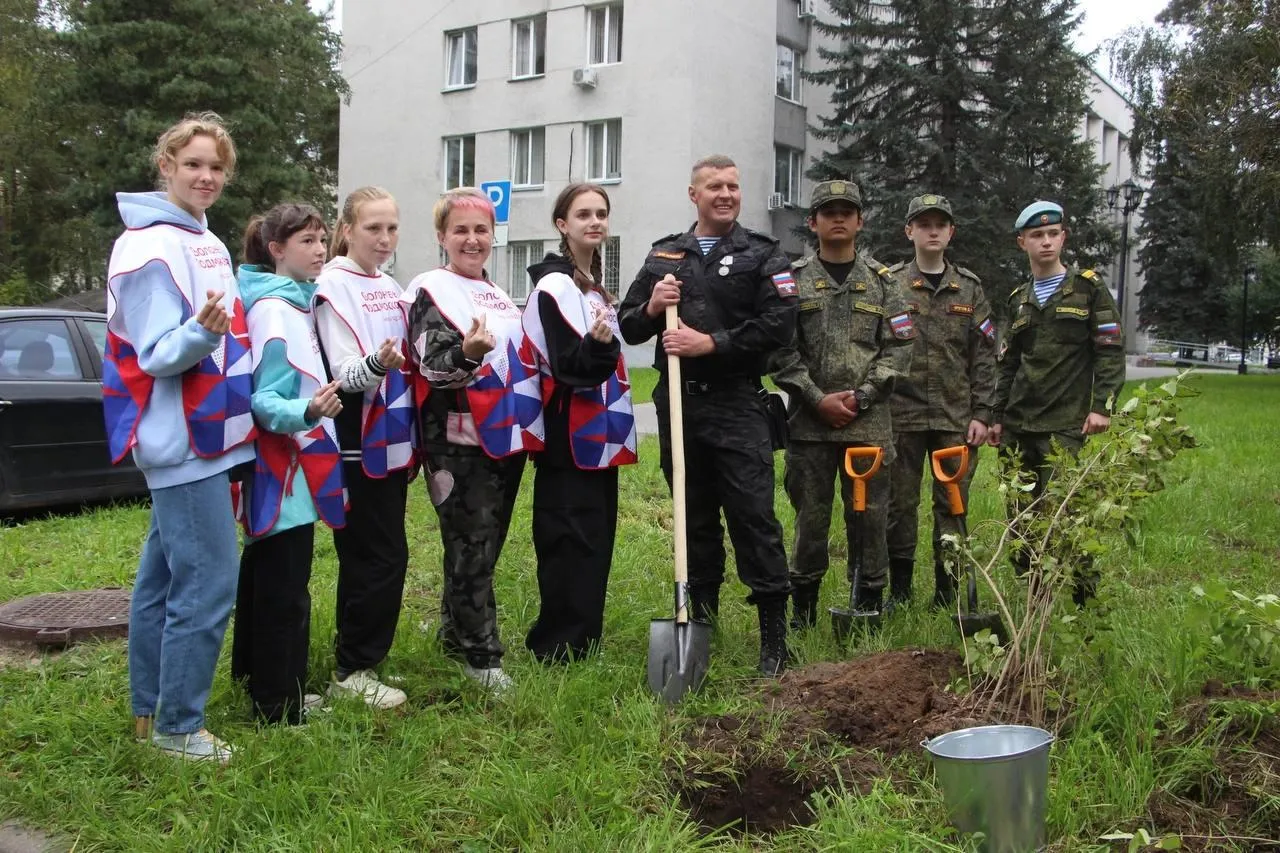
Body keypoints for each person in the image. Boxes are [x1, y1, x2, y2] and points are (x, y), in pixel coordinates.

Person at [103, 112, 256, 763]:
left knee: (163, 582)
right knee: (208, 582)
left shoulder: (204, 238)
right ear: (165, 164)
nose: (206, 176)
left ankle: (150, 713)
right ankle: (177, 727)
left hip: (210, 434)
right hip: (182, 441)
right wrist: (203, 332)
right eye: (193, 163)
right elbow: (157, 353)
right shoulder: (146, 245)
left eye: (216, 167)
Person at [618, 155, 797, 676]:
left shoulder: (763, 255)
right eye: (714, 186)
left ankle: (774, 641)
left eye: (734, 186)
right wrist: (652, 307)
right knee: (691, 518)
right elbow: (628, 327)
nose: (726, 193)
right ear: (693, 194)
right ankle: (699, 626)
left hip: (737, 404)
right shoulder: (664, 254)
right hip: (680, 406)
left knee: (754, 518)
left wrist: (710, 343)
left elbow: (780, 326)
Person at [402, 187, 543, 692]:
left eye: (481, 229)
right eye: (460, 229)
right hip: (456, 444)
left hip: (502, 440)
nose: (472, 239)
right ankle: (482, 659)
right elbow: (432, 366)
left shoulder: (496, 293)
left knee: (482, 547)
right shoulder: (430, 290)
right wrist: (466, 352)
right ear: (442, 236)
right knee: (472, 549)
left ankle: (451, 636)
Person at [771, 180, 916, 630]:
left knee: (870, 521)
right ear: (812, 222)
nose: (838, 218)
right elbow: (780, 350)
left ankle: (867, 604)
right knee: (810, 522)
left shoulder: (885, 284)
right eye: (828, 211)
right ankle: (804, 614)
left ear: (860, 221)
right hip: (810, 427)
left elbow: (899, 348)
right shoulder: (790, 282)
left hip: (868, 425)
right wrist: (816, 399)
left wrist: (863, 396)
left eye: (846, 211)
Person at [230, 203, 345, 725]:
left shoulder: (287, 302)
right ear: (277, 250)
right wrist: (308, 409)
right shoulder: (277, 310)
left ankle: (257, 679)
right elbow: (264, 399)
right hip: (284, 470)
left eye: (322, 240)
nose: (320, 250)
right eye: (307, 242)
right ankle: (280, 704)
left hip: (278, 468)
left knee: (262, 579)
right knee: (285, 589)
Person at [521, 183, 637, 663]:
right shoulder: (555, 287)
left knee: (595, 538)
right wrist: (600, 347)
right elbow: (569, 364)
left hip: (598, 436)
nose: (595, 221)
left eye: (602, 213)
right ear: (561, 224)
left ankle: (584, 638)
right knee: (569, 538)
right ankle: (557, 646)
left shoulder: (592, 285)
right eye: (583, 214)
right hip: (568, 436)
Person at [989, 200, 1126, 606]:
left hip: (1064, 424)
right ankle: (1036, 595)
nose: (1046, 241)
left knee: (1064, 513)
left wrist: (1102, 406)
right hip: (1018, 423)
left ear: (1063, 237)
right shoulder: (1018, 299)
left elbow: (1109, 348)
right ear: (1022, 242)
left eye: (1053, 234)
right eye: (1037, 235)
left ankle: (1084, 599)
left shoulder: (1087, 288)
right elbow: (1008, 362)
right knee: (1020, 518)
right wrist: (996, 416)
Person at [314, 187, 414, 709]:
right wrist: (378, 364)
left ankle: (359, 659)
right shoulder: (332, 286)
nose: (384, 238)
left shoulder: (389, 284)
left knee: (381, 553)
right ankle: (353, 668)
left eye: (392, 228)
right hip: (356, 439)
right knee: (376, 555)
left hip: (393, 439)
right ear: (347, 229)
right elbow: (342, 374)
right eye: (373, 227)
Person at [885, 195, 998, 609]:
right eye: (924, 223)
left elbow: (985, 355)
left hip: (955, 417)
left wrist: (983, 414)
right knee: (899, 504)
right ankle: (899, 591)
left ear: (951, 233)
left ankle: (946, 591)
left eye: (941, 225)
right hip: (902, 415)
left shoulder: (969, 288)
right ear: (909, 231)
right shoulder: (891, 284)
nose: (933, 231)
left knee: (951, 506)